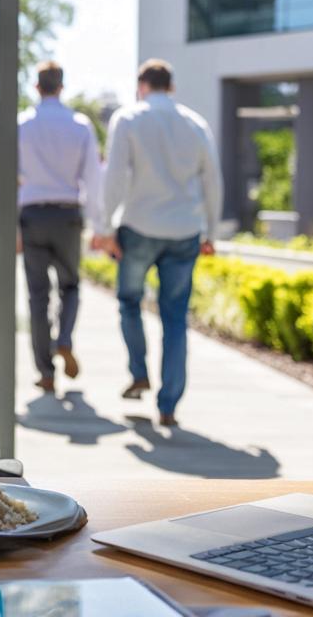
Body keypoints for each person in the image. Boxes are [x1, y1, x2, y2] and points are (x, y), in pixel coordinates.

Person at [92, 59, 222, 427]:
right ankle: (168, 407)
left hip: (139, 228)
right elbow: (213, 181)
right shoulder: (196, 124)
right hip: (184, 232)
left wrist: (104, 226)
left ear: (141, 86)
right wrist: (211, 232)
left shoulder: (129, 119)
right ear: (172, 87)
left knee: (129, 302)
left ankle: (139, 371)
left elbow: (114, 176)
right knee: (175, 317)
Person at [17, 60, 103, 395]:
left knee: (38, 296)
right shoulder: (80, 125)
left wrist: (14, 228)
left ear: (37, 87)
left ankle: (46, 372)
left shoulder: (22, 125)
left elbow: (11, 176)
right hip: (68, 215)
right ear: (61, 86)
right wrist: (98, 225)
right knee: (71, 286)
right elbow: (93, 179)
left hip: (32, 215)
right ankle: (64, 339)